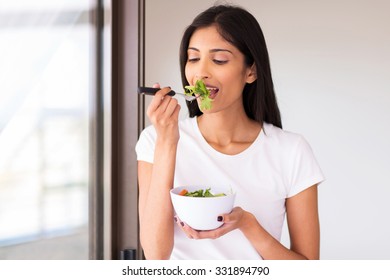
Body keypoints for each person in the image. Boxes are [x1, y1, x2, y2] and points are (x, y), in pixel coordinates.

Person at [135, 4, 324, 260]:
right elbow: (156, 255)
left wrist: (247, 224)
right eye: (193, 58)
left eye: (219, 59)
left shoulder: (290, 151)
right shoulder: (154, 140)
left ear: (251, 71)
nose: (201, 72)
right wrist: (167, 143)